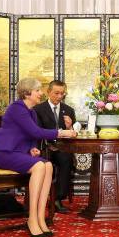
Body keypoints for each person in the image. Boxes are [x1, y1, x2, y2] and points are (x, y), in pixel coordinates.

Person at [0, 78, 76, 237]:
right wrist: (61, 132)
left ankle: (39, 217)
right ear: (27, 93)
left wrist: (32, 147)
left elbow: (30, 135)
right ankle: (31, 219)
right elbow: (36, 131)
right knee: (39, 166)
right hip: (4, 153)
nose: (40, 93)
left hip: (19, 153)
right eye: (37, 90)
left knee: (48, 166)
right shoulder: (17, 108)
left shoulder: (31, 111)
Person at [33, 80, 77, 214]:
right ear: (48, 92)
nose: (59, 96)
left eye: (62, 94)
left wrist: (70, 126)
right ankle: (39, 197)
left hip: (62, 148)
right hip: (43, 147)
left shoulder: (69, 110)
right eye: (56, 93)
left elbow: (74, 134)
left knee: (66, 159)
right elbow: (36, 132)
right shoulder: (37, 109)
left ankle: (58, 198)